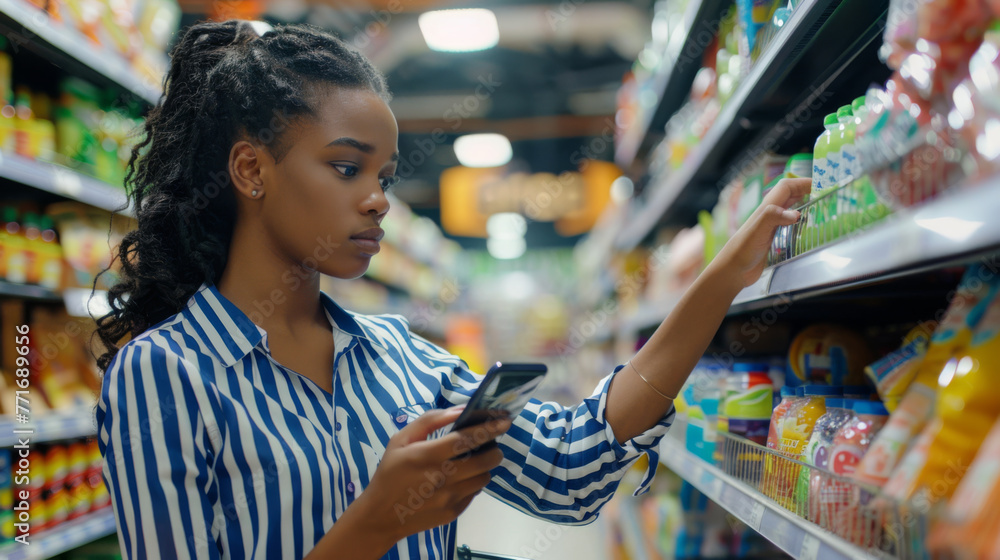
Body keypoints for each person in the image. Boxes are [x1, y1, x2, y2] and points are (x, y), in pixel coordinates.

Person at [93, 19, 808, 560]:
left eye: (384, 177)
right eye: (347, 168)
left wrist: (722, 279)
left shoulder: (398, 357)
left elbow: (572, 466)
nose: (378, 202)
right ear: (251, 170)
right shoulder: (165, 374)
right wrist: (378, 522)